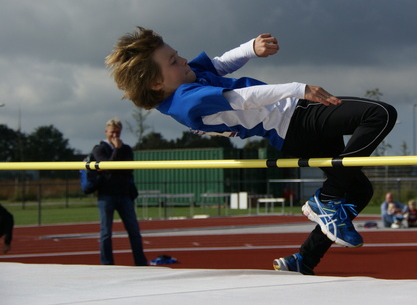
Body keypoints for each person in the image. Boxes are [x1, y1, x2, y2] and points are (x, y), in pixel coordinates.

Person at [106, 27, 397, 275]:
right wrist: (298, 88)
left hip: (294, 126)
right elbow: (242, 99)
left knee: (358, 190)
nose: (182, 60)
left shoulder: (185, 79)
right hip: (295, 122)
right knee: (380, 114)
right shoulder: (186, 102)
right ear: (157, 84)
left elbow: (219, 64)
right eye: (173, 61)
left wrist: (250, 48)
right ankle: (328, 199)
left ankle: (304, 259)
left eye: (177, 54)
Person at [92, 118, 148, 266]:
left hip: (124, 195)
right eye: (112, 132)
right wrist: (116, 150)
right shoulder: (99, 149)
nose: (115, 136)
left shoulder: (127, 149)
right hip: (106, 195)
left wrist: (111, 165)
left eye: (118, 132)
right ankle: (107, 263)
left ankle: (140, 262)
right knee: (106, 233)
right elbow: (109, 166)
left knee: (134, 231)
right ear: (106, 132)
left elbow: (127, 168)